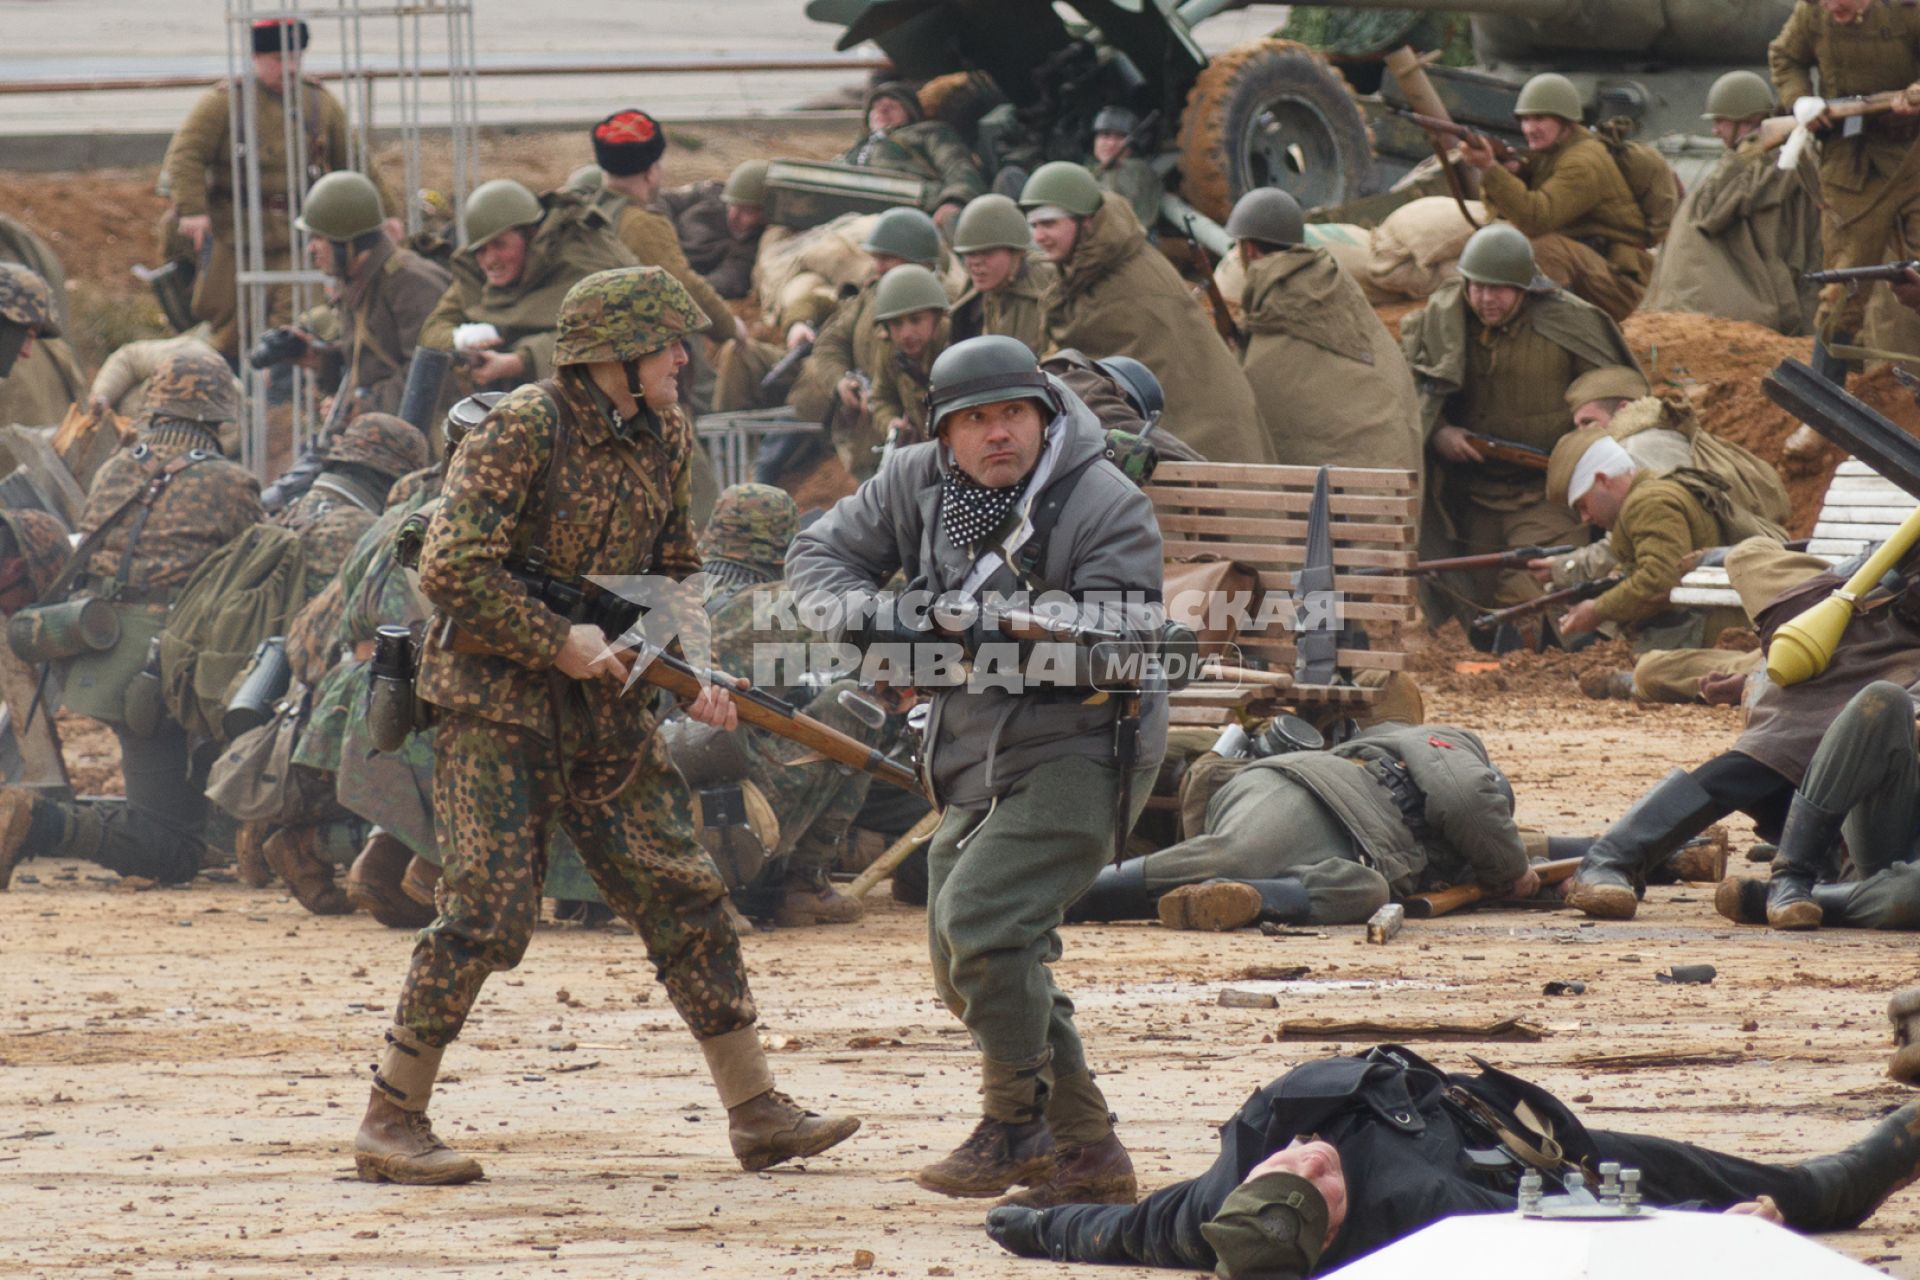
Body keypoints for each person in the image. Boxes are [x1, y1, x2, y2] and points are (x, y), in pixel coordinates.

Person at [349, 267, 860, 1185]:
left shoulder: (662, 433)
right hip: (497, 709)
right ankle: (391, 1117)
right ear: (611, 357)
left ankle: (756, 1110)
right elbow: (454, 567)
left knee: (684, 890)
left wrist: (692, 671)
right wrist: (557, 642)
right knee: (485, 916)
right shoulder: (523, 427)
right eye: (668, 343)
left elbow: (673, 567)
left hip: (609, 709)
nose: (684, 357)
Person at [789, 335, 1167, 1208]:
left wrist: (999, 634)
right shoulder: (913, 479)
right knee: (969, 959)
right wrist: (886, 625)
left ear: (1040, 416)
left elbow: (1128, 649)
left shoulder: (1104, 501)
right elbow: (815, 560)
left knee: (985, 923)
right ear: (944, 433)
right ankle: (1088, 1153)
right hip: (969, 747)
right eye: (975, 421)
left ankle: (1015, 1128)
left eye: (1013, 414)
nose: (999, 434)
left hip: (1085, 748)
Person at [986, 1043, 1920, 1277]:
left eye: (1289, 1163)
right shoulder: (1436, 1224)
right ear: (1336, 1225)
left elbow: (1117, 1232)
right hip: (1525, 1158)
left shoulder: (1219, 1210)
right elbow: (1576, 1235)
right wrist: (1718, 1235)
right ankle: (1843, 1179)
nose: (1307, 1156)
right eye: (1316, 1181)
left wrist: (1027, 1228)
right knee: (1738, 1183)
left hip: (1428, 1095)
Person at [0, 350, 264, 889]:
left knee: (169, 797)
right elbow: (263, 567)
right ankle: (42, 824)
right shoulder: (229, 483)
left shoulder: (117, 467)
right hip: (167, 667)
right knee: (176, 847)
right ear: (217, 419)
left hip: (97, 648)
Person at [1563, 539, 1920, 920]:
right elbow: (1864, 571)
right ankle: (1616, 855)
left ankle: (1816, 887)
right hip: (1875, 638)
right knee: (1791, 739)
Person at [1066, 721, 1546, 930]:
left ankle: (1248, 899)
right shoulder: (1446, 745)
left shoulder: (1463, 846)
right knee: (1233, 854)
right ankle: (1066, 898)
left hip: (1359, 855)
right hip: (1314, 796)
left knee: (1366, 892)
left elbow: (1521, 842)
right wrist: (1510, 871)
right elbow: (1466, 801)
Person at [1401, 224, 1640, 618]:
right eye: (1476, 286)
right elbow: (1414, 387)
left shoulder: (1569, 321)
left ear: (1525, 287)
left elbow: (1619, 382)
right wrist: (1440, 429)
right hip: (1476, 495)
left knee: (1527, 605)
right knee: (1464, 601)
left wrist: (1593, 407)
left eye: (1498, 289)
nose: (1484, 298)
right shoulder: (1446, 321)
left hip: (1549, 494)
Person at [694, 483, 877, 927]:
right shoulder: (775, 604)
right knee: (855, 706)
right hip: (715, 807)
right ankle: (803, 885)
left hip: (636, 807)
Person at [161, 18, 394, 361]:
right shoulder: (225, 103)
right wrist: (193, 210)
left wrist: (386, 214)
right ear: (257, 58)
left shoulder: (318, 103)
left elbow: (355, 163)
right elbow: (184, 156)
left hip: (299, 236)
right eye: (276, 59)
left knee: (300, 324)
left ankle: (285, 400)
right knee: (229, 327)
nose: (287, 68)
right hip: (236, 234)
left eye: (294, 59)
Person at [1020, 161, 1272, 466]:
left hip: (1200, 427)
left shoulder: (1127, 276)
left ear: (1086, 221)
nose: (1040, 235)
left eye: (1049, 223)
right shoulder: (1086, 271)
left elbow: (1143, 363)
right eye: (1034, 225)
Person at [1770, 0, 1920, 380]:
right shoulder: (1812, 14)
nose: (1833, 7)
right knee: (1842, 285)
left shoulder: (1908, 9)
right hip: (1850, 163)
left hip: (1913, 155)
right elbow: (1785, 56)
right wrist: (1800, 100)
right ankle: (1824, 397)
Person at [1225, 188, 1421, 475]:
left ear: (1249, 249)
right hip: (1392, 473)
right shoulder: (1338, 289)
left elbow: (1249, 411)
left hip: (1331, 499)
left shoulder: (1273, 315)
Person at [1712, 680, 1920, 930]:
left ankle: (1817, 900)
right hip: (1895, 828)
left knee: (1911, 891)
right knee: (1883, 699)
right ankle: (1791, 877)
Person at [1535, 427, 1765, 652]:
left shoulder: (1647, 502)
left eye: (1583, 505)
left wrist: (1597, 610)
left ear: (1603, 479)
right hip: (1705, 623)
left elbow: (1659, 579)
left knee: (1647, 676)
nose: (1585, 518)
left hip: (1706, 632)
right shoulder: (1651, 489)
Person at [1457, 72, 1654, 323]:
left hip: (1620, 284)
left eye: (1539, 118)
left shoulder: (1583, 162)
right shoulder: (1553, 153)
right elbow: (1503, 213)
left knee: (1542, 248)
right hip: (1595, 265)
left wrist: (1489, 168)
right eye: (1525, 120)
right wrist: (1511, 172)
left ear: (1566, 122)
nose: (1529, 128)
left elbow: (1535, 219)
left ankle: (1563, 328)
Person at [1643, 70, 1822, 336]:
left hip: (1729, 312)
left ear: (1747, 120)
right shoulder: (1770, 160)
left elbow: (1712, 212)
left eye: (1721, 122)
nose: (1714, 130)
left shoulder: (1767, 164)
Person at [418, 177, 636, 392]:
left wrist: (520, 362)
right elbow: (432, 330)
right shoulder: (475, 277)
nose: (490, 260)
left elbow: (606, 332)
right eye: (481, 250)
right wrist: (465, 340)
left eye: (500, 245)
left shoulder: (578, 262)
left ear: (532, 236)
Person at [789, 207, 948, 477]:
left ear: (919, 260)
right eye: (877, 258)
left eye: (888, 258)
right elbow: (830, 342)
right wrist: (841, 381)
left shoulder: (943, 309)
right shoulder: (873, 294)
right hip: (872, 436)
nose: (878, 267)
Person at [287, 171, 451, 420]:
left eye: (319, 237)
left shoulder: (411, 283)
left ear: (348, 241)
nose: (311, 248)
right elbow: (372, 360)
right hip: (386, 427)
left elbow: (433, 373)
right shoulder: (360, 279)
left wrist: (363, 409)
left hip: (423, 437)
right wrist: (320, 359)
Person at [587, 108, 747, 349]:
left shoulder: (586, 210)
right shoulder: (642, 223)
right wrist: (731, 327)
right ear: (651, 172)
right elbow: (681, 289)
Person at [842, 82, 985, 230]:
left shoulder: (929, 133)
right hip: (853, 214)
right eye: (875, 106)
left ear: (909, 112)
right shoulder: (855, 150)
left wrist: (954, 201)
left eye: (892, 106)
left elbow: (958, 166)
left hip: (915, 210)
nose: (882, 110)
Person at [950, 193, 1055, 354]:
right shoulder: (972, 299)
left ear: (1015, 253)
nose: (976, 264)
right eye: (970, 254)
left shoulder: (1048, 291)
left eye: (987, 253)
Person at [865, 263, 952, 453]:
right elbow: (881, 397)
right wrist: (890, 422)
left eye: (916, 320)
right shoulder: (890, 350)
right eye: (896, 323)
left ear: (937, 317)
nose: (906, 333)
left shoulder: (955, 344)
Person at [1087, 106, 1161, 231]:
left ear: (1131, 146)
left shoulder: (1137, 170)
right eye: (1105, 135)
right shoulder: (1092, 170)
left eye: (1120, 137)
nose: (1111, 143)